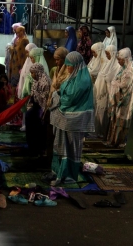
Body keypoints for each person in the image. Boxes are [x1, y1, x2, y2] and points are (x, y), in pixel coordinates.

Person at [49, 52, 94, 186]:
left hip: (75, 119)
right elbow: (64, 91)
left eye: (69, 66)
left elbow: (70, 99)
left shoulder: (83, 81)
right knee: (61, 145)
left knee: (72, 147)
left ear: (77, 66)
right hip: (66, 118)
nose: (67, 68)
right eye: (67, 65)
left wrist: (57, 97)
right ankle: (59, 172)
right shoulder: (73, 77)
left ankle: (69, 175)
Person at [107, 47, 133, 147]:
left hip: (123, 100)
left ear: (126, 59)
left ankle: (119, 142)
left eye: (120, 60)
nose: (119, 62)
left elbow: (124, 86)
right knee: (116, 120)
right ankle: (113, 140)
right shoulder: (122, 68)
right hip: (118, 98)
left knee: (121, 120)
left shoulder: (129, 71)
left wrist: (114, 84)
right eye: (118, 60)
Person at [94, 44, 120, 140]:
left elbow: (113, 81)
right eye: (106, 54)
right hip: (102, 94)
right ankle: (100, 132)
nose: (107, 56)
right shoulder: (108, 64)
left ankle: (104, 133)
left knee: (105, 115)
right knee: (100, 112)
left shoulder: (116, 66)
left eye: (108, 54)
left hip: (109, 94)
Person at [25, 63, 51, 157]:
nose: (32, 75)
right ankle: (32, 147)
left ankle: (38, 149)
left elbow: (45, 99)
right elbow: (33, 96)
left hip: (42, 110)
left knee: (39, 130)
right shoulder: (36, 81)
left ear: (37, 72)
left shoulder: (45, 82)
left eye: (33, 73)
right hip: (35, 108)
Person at [9, 27, 29, 96]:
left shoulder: (24, 40)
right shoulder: (18, 39)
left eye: (18, 32)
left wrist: (12, 48)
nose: (17, 34)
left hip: (20, 63)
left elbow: (19, 51)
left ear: (22, 31)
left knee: (18, 82)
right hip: (15, 61)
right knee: (13, 82)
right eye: (16, 33)